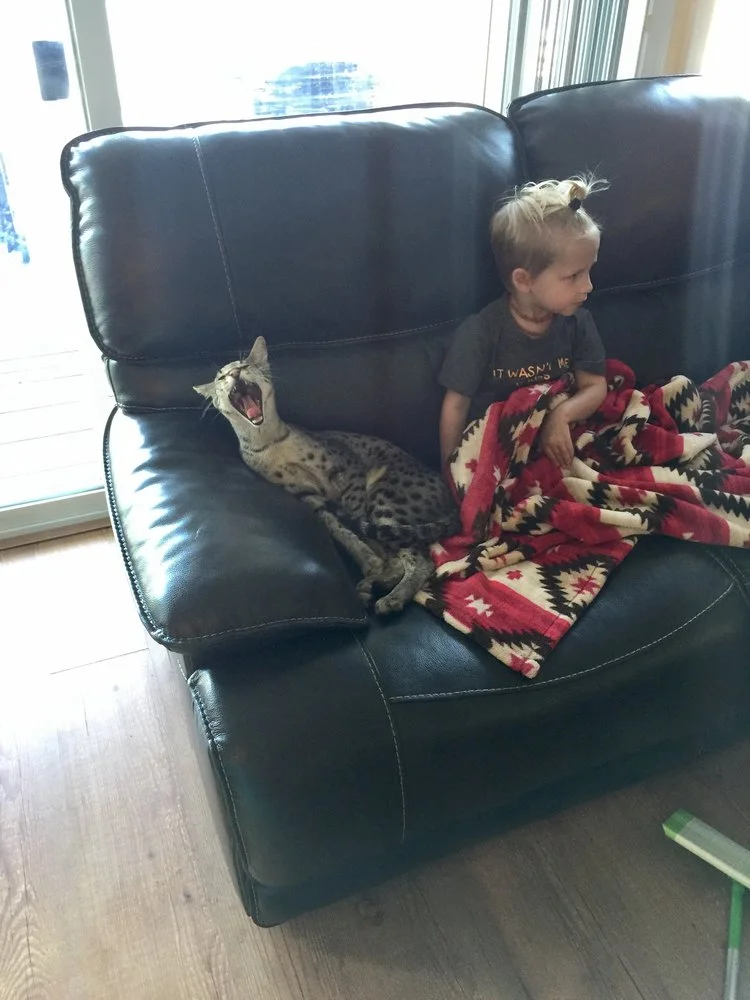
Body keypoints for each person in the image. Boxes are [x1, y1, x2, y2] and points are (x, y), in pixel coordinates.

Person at [439, 176, 609, 469]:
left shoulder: (578, 322)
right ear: (524, 280)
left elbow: (595, 386)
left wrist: (561, 415)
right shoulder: (480, 333)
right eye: (574, 276)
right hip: (499, 453)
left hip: (560, 446)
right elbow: (455, 408)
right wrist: (451, 474)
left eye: (590, 270)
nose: (589, 286)